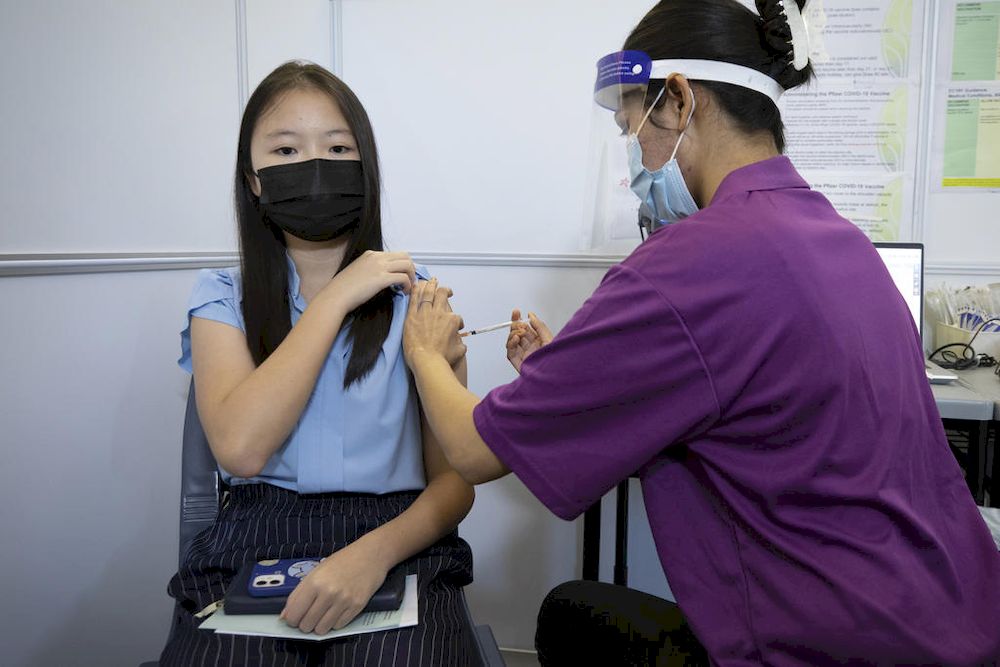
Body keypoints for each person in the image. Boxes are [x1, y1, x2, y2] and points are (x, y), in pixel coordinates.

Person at [401, 1, 1000, 665]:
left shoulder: (689, 263)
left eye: (634, 129)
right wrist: (565, 379)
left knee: (569, 615)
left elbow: (475, 449)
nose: (635, 161)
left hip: (827, 646)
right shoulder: (836, 237)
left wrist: (427, 352)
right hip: (950, 621)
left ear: (680, 99)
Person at [158, 61, 476, 666]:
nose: (315, 166)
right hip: (256, 532)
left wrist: (370, 556)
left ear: (366, 168)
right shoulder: (221, 297)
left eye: (337, 146)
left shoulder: (418, 294)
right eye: (285, 149)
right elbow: (242, 451)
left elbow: (456, 479)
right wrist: (336, 297)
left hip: (399, 534)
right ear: (253, 180)